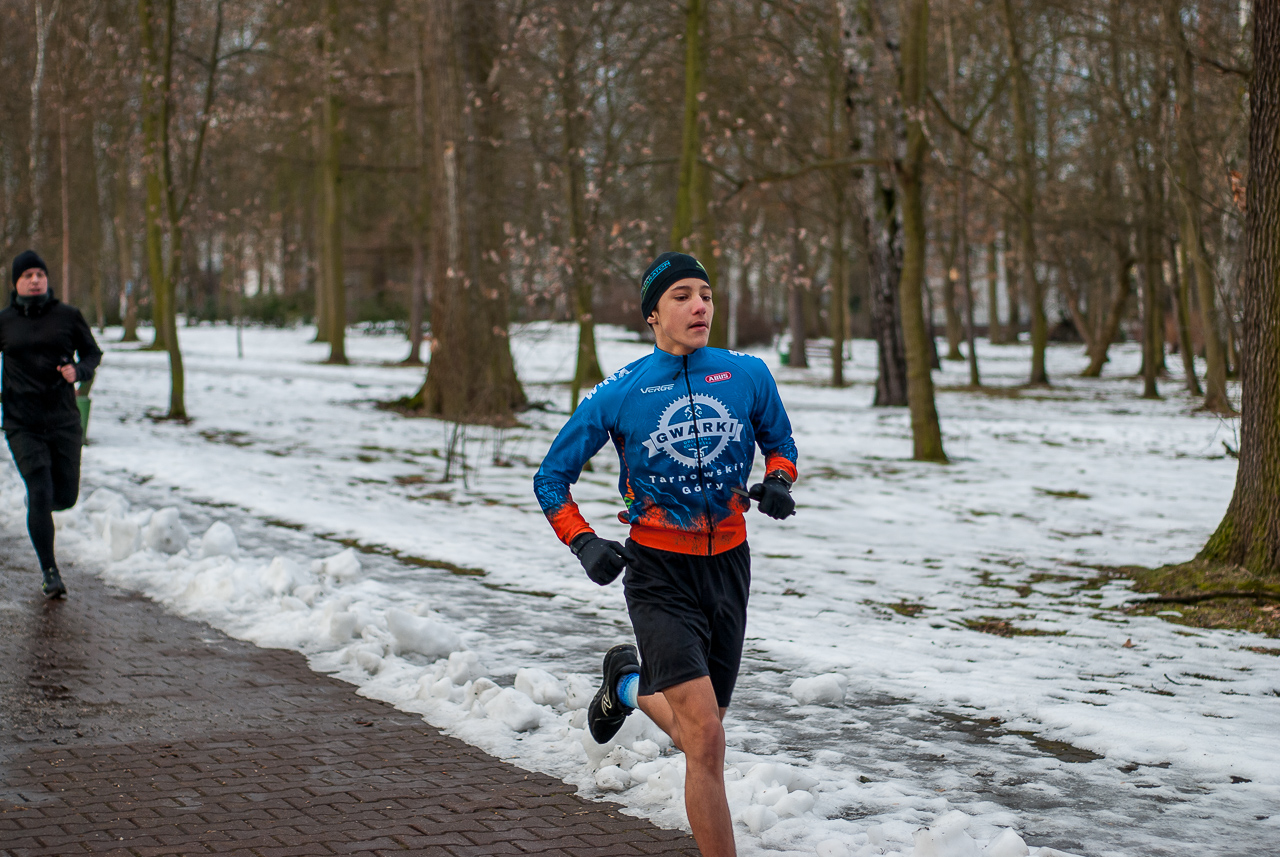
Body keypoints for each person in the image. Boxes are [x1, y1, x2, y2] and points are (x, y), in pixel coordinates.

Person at [534, 251, 798, 857]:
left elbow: (780, 442)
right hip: (658, 572)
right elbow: (551, 478)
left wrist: (779, 482)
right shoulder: (622, 392)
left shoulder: (748, 374)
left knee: (699, 734)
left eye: (705, 293)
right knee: (705, 739)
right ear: (653, 314)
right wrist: (583, 541)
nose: (699, 305)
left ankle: (626, 685)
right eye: (681, 295)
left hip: (730, 568)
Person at [0, 250, 102, 599]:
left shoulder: (68, 317)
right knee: (40, 489)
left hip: (62, 421)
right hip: (21, 422)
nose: (34, 279)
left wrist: (80, 371)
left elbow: (93, 353)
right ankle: (50, 572)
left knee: (65, 496)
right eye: (27, 274)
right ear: (15, 282)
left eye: (39, 274)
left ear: (47, 279)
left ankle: (39, 508)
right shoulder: (5, 321)